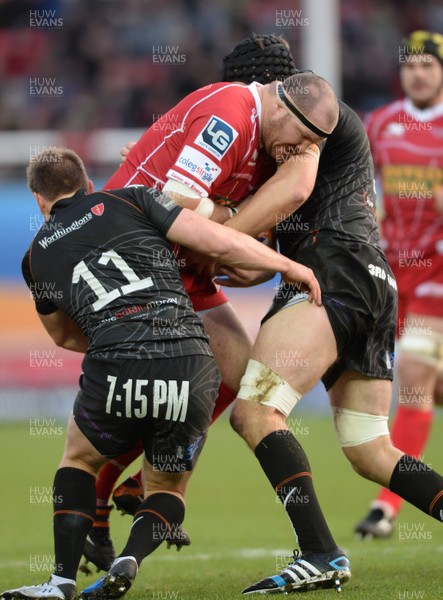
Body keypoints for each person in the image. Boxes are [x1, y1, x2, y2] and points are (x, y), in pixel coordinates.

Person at [0, 148, 321, 600]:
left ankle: (60, 582)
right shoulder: (133, 198)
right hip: (192, 361)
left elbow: (64, 339)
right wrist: (289, 266)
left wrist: (121, 338)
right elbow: (219, 242)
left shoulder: (35, 258)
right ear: (90, 184)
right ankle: (131, 556)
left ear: (38, 201)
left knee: (78, 460)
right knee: (168, 487)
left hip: (115, 361)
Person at [81, 35, 331, 572]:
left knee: (243, 378)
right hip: (138, 263)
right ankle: (104, 498)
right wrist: (229, 230)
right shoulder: (228, 113)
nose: (301, 149)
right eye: (301, 138)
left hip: (179, 266)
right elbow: (177, 203)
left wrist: (227, 235)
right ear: (278, 100)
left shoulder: (269, 142)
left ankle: (133, 487)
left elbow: (237, 257)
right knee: (173, 384)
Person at [207, 68, 443, 594]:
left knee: (256, 411)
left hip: (331, 274)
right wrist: (227, 255)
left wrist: (209, 235)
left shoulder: (307, 127)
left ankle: (320, 554)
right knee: (369, 447)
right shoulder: (314, 133)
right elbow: (259, 264)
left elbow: (282, 206)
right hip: (371, 279)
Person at [354, 30, 443, 538]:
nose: (418, 72)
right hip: (391, 273)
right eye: (411, 64)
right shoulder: (382, 124)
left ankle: (386, 507)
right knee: (419, 384)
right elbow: (368, 190)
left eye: (429, 64)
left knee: (411, 374)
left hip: (438, 275)